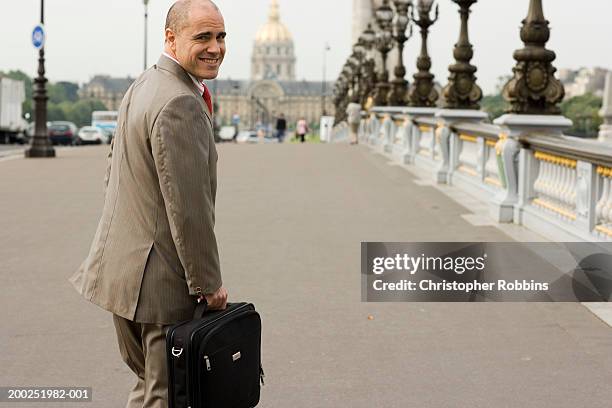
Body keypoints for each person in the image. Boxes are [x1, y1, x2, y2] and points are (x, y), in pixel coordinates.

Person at [68, 1, 228, 407]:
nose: (216, 47)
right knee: (167, 396)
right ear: (171, 38)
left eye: (221, 36)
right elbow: (188, 210)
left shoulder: (144, 84)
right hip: (159, 286)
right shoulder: (180, 102)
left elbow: (113, 173)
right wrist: (207, 284)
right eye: (203, 37)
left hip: (122, 274)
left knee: (148, 388)